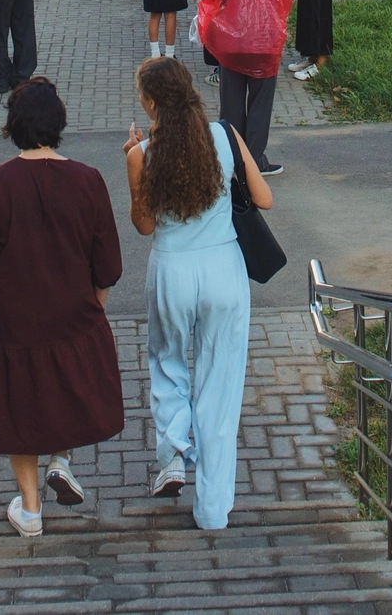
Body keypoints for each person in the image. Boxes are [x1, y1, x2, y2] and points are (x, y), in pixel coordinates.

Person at [0, 79, 124, 540]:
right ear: (59, 124)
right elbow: (108, 265)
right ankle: (62, 459)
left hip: (12, 323)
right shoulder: (88, 179)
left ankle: (30, 510)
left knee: (20, 409)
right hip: (71, 314)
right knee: (63, 388)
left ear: (13, 126)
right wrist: (93, 308)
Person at [123, 56, 270, 532]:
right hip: (224, 270)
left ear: (149, 102)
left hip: (172, 270)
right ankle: (211, 511)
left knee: (167, 362)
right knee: (221, 387)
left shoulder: (142, 152)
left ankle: (172, 451)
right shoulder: (225, 136)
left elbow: (144, 225)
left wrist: (134, 163)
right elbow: (264, 199)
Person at [185, 0, 295, 175]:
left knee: (232, 103)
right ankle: (255, 161)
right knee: (260, 104)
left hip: (231, 45)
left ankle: (231, 158)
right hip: (266, 44)